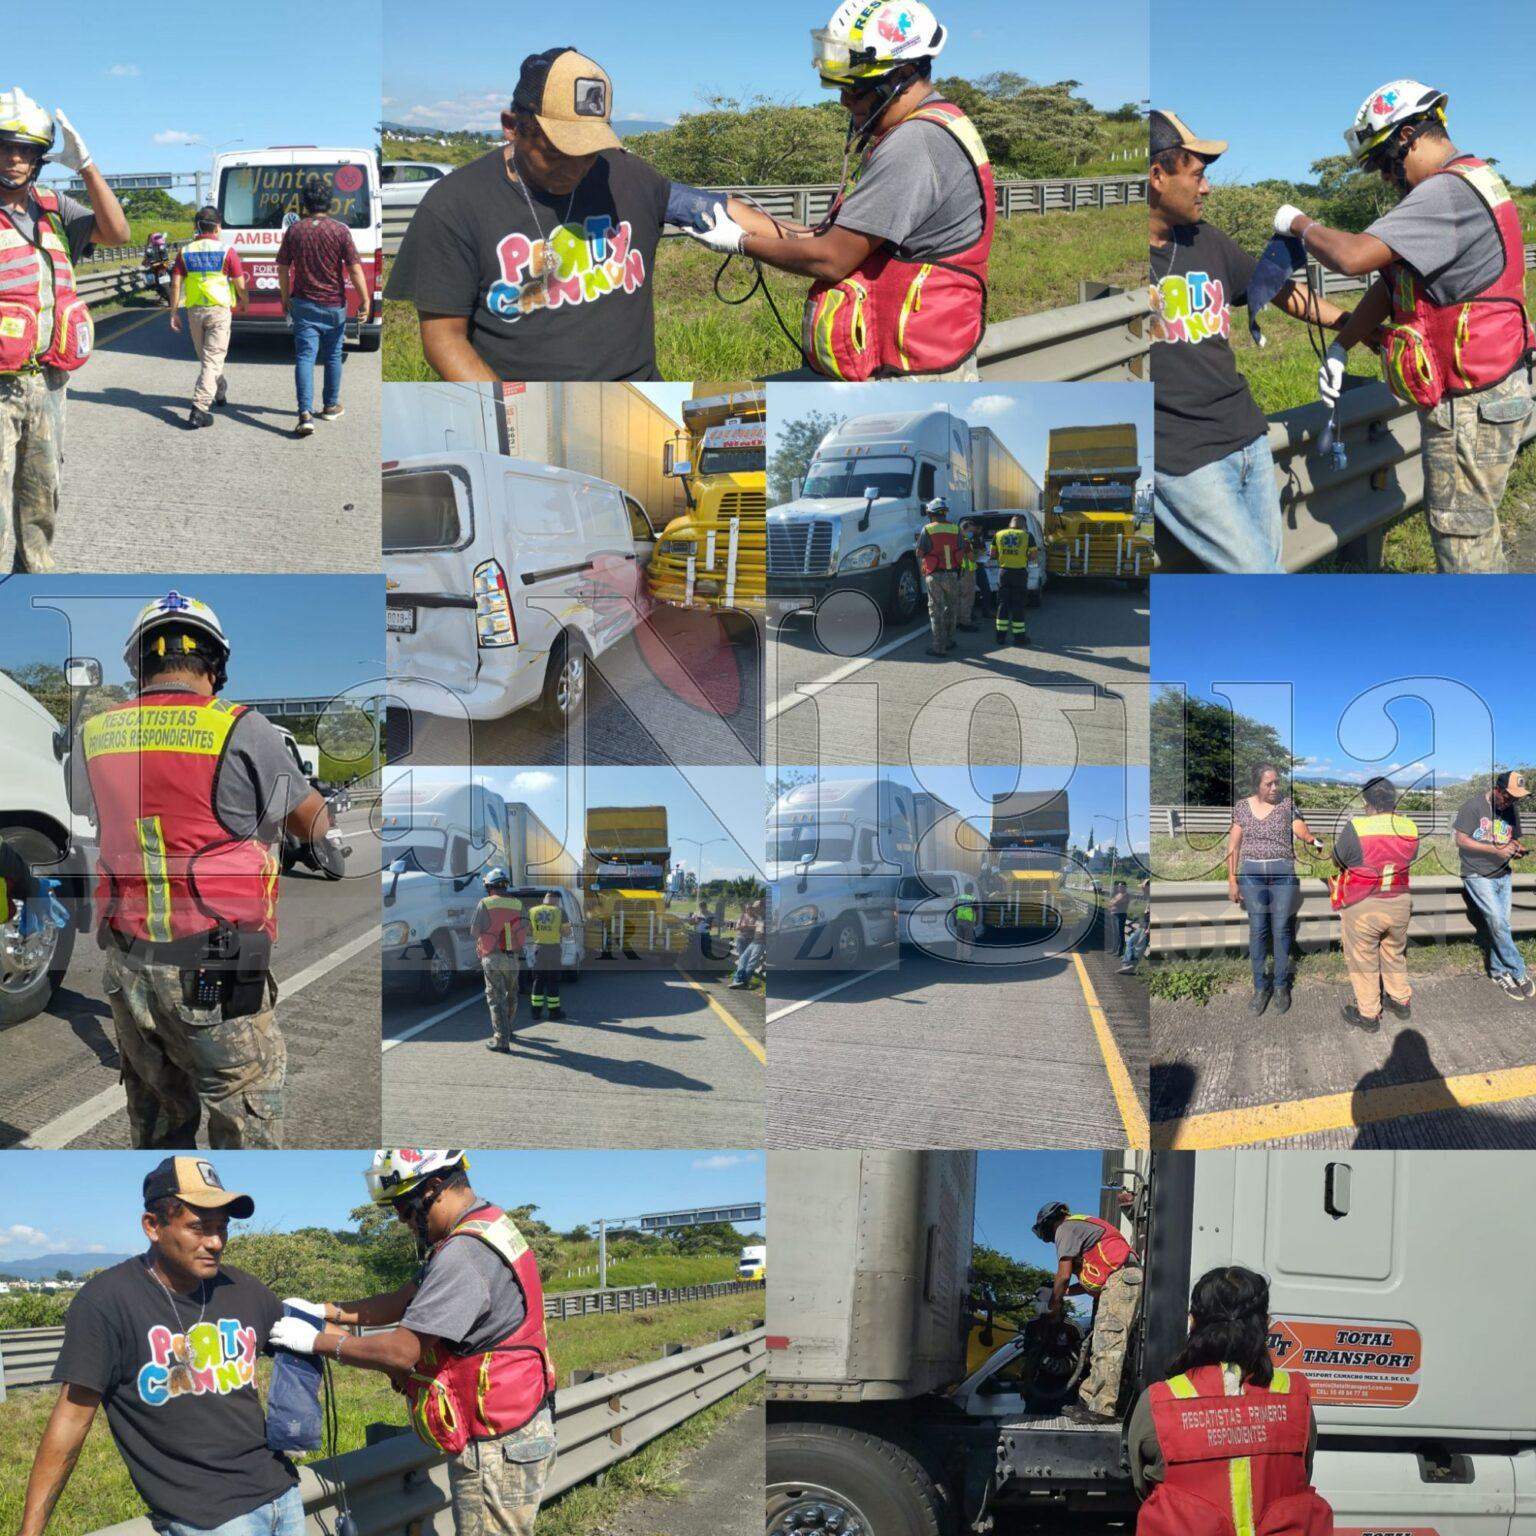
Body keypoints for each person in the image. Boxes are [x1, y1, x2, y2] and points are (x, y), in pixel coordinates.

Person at [74, 592, 334, 1148]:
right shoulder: (243, 728)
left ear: (138, 665)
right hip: (215, 970)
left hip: (126, 967)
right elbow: (312, 826)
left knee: (158, 1118)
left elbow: (89, 808)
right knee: (246, 1123)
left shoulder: (95, 733)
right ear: (215, 666)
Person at [1282, 82, 1536, 574]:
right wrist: (1341, 346)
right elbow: (1397, 281)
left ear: (1408, 137)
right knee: (1476, 531)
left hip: (1470, 405)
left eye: (1382, 162)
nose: (1383, 177)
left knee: (1461, 543)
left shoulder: (1445, 191)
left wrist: (1300, 224)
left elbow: (1353, 258)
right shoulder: (1474, 179)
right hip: (1493, 388)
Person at [386, 48, 739, 383]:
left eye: (588, 151)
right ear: (511, 126)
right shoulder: (454, 204)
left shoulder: (626, 175)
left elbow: (715, 207)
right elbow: (443, 339)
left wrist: (763, 239)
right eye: (556, 152)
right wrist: (505, 405)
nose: (575, 168)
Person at [689, 1, 992, 382]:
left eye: (857, 88)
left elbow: (830, 258)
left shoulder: (915, 143)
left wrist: (740, 242)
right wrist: (727, 211)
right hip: (919, 355)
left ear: (905, 73)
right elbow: (829, 236)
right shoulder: (936, 121)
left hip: (911, 370)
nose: (844, 101)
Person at [272, 1151, 558, 1536]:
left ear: (435, 1188)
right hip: (519, 1423)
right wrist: (327, 1311)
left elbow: (401, 1352)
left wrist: (317, 1342)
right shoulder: (484, 1223)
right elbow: (404, 1300)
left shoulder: (463, 1253)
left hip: (496, 1445)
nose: (403, 1222)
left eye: (406, 1209)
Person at [16, 1158, 300, 1536]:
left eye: (221, 1228)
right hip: (209, 1519)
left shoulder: (240, 1287)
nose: (215, 1242)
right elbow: (71, 1420)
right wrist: (30, 1531)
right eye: (199, 1228)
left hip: (283, 1495)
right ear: (153, 1226)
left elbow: (303, 1336)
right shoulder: (107, 1302)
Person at [1148, 110, 1352, 573]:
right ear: (1157, 176)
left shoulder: (1208, 241)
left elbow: (1282, 293)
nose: (1207, 188)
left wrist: (1356, 325)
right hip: (1183, 456)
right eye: (1197, 175)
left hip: (1246, 436)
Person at [0, 90, 129, 573]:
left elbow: (118, 233)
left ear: (38, 159)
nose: (14, 158)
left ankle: (31, 582)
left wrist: (88, 166)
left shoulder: (55, 208)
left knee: (40, 504)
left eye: (26, 150)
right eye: (4, 147)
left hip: (50, 384)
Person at [1129, 1266, 1332, 1536]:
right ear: (1266, 1322)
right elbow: (1302, 1472)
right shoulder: (1295, 1395)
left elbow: (1143, 1484)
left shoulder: (1160, 1400)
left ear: (1192, 1322)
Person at [276, 175, 370, 436]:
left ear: (305, 203)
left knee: (305, 356)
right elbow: (354, 269)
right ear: (330, 202)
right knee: (332, 356)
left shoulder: (295, 231)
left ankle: (304, 414)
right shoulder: (340, 230)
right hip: (334, 306)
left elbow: (282, 268)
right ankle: (330, 406)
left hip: (304, 304)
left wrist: (285, 299)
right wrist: (365, 299)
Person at [1227, 765, 1323, 1017]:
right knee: (1258, 930)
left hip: (1283, 875)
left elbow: (1299, 828)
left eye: (1277, 783)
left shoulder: (1287, 804)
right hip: (1252, 876)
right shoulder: (1241, 807)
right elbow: (1233, 845)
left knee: (1281, 929)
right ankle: (1260, 988)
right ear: (1256, 785)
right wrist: (1232, 879)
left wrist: (1311, 839)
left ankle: (1280, 986)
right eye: (1268, 784)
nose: (1274, 788)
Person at [1033, 1200, 1143, 1422]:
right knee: (1100, 1343)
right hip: (1118, 1279)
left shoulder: (1064, 1228)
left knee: (1108, 1344)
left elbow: (1063, 1276)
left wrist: (1053, 1308)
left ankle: (1102, 1409)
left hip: (1121, 1278)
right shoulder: (1080, 1231)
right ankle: (1087, 1401)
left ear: (1049, 1223)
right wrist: (1056, 1293)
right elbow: (1083, 1285)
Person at [1330, 776, 1420, 1031]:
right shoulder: (1410, 827)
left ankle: (1369, 1015)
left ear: (1366, 800)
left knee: (1363, 960)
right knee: (1394, 952)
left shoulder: (1357, 827)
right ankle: (1400, 1001)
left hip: (1364, 902)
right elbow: (1409, 857)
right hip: (1400, 900)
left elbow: (1338, 861)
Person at [1453, 770, 1533, 1000]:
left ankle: (1499, 971)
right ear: (1497, 789)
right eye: (1508, 796)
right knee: (1498, 921)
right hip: (1477, 874)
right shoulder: (1473, 806)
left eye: (1516, 798)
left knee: (1501, 925)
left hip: (1503, 874)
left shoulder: (1511, 809)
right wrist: (1494, 849)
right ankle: (1519, 970)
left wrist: (1516, 849)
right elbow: (1461, 839)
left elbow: (1512, 838)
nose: (1512, 801)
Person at [168, 206, 247, 429]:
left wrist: (173, 312)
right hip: (219, 311)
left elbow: (176, 283)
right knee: (211, 360)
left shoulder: (185, 252)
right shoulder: (226, 251)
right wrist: (245, 301)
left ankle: (211, 397)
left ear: (196, 227)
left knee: (209, 359)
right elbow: (240, 283)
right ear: (218, 227)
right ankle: (201, 411)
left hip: (194, 312)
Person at [471, 868, 528, 1053]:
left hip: (492, 956)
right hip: (512, 957)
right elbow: (525, 928)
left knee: (495, 998)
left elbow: (474, 930)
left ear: (489, 886)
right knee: (511, 995)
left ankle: (501, 1040)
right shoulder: (518, 904)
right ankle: (508, 1029)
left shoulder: (485, 903)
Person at [917, 495, 961, 654]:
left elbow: (920, 553)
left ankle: (938, 648)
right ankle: (950, 641)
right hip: (953, 574)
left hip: (934, 575)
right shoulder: (956, 529)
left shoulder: (927, 529)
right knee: (951, 609)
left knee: (936, 610)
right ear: (945, 513)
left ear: (931, 514)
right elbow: (960, 550)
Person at [991, 515, 1034, 647]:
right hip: (1019, 573)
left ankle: (1000, 637)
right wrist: (1021, 556)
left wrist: (1005, 556)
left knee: (1003, 604)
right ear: (1023, 525)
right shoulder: (1027, 535)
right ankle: (1019, 638)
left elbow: (993, 555)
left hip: (1004, 573)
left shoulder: (999, 534)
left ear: (1010, 524)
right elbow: (1033, 556)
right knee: (1018, 605)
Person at [527, 891, 571, 1019]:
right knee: (552, 980)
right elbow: (566, 933)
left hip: (538, 949)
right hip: (554, 949)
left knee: (538, 980)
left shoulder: (532, 910)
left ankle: (535, 1012)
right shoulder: (560, 912)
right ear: (556, 899)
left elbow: (528, 931)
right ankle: (554, 1012)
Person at [731, 897, 765, 989]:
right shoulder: (759, 917)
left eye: (755, 907)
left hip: (761, 943)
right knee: (742, 959)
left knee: (751, 962)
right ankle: (737, 980)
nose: (753, 909)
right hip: (754, 941)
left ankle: (744, 982)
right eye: (752, 907)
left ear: (762, 907)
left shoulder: (767, 917)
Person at [955, 521, 981, 633]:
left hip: (957, 572)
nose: (971, 533)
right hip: (967, 572)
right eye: (970, 531)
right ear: (964, 529)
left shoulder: (954, 540)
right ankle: (965, 622)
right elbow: (972, 558)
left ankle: (956, 621)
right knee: (967, 598)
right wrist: (979, 553)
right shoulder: (965, 542)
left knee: (958, 598)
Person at [952, 882, 978, 962]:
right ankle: (966, 957)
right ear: (972, 890)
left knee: (959, 939)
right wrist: (976, 921)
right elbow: (977, 911)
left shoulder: (959, 898)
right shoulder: (973, 899)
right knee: (967, 939)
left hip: (959, 921)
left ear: (964, 889)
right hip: (969, 922)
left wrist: (955, 921)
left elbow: (953, 910)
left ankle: (958, 957)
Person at [1107, 882, 1130, 957]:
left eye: (1122, 886)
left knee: (1120, 933)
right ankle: (1114, 949)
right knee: (1115, 933)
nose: (1120, 888)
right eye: (1119, 886)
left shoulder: (1126, 895)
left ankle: (1120, 951)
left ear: (1125, 887)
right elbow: (1110, 903)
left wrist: (1114, 902)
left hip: (1121, 915)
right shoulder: (1118, 894)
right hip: (1114, 915)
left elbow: (1116, 902)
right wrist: (1113, 903)